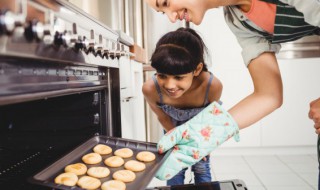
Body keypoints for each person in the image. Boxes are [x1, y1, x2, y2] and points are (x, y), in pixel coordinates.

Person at [144, 0, 320, 187]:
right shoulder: (237, 20)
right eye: (163, 12)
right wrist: (206, 133)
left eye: (165, 2)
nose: (172, 18)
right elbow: (269, 95)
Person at [142, 27, 223, 185]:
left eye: (179, 77)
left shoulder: (212, 86)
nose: (170, 85)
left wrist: (202, 145)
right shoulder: (150, 89)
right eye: (162, 75)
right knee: (173, 170)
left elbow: (210, 118)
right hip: (172, 129)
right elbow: (162, 117)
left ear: (197, 69)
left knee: (201, 168)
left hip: (201, 133)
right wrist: (176, 141)